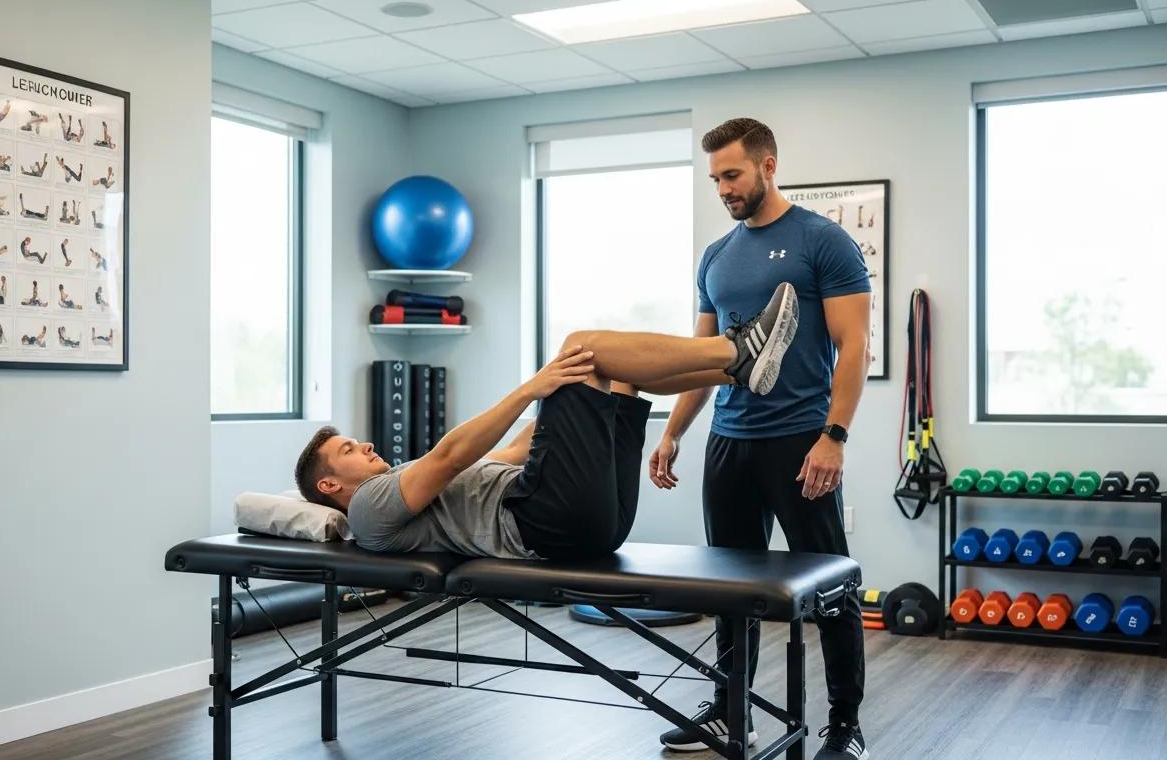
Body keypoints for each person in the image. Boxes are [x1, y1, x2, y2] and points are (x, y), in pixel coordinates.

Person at [649, 118, 872, 760]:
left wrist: (835, 436)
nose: (723, 188)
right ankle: (731, 712)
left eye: (732, 174)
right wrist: (673, 432)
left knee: (830, 586)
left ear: (768, 167)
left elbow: (855, 346)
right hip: (730, 439)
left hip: (800, 441)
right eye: (715, 178)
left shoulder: (821, 241)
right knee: (730, 587)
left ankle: (845, 724)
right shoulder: (716, 257)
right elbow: (703, 359)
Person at [294, 282, 798, 561]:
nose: (365, 446)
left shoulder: (410, 489)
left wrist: (561, 401)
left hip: (587, 523)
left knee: (617, 375)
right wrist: (532, 389)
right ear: (329, 484)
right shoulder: (367, 507)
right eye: (348, 450)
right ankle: (733, 350)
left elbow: (514, 453)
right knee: (583, 346)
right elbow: (450, 457)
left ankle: (737, 374)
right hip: (543, 523)